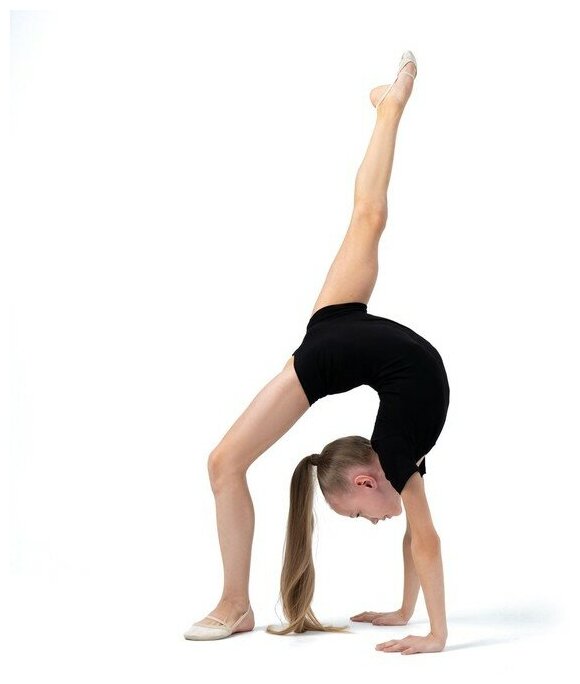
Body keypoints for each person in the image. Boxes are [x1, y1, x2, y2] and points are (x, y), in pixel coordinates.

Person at [184, 51, 450, 655]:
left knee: (369, 216)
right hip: (341, 336)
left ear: (365, 477)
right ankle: (388, 107)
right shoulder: (398, 450)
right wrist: (421, 623)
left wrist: (422, 623)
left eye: (355, 515)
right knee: (224, 464)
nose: (371, 521)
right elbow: (422, 538)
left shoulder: (397, 448)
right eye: (361, 517)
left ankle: (389, 108)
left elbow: (423, 539)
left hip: (342, 338)